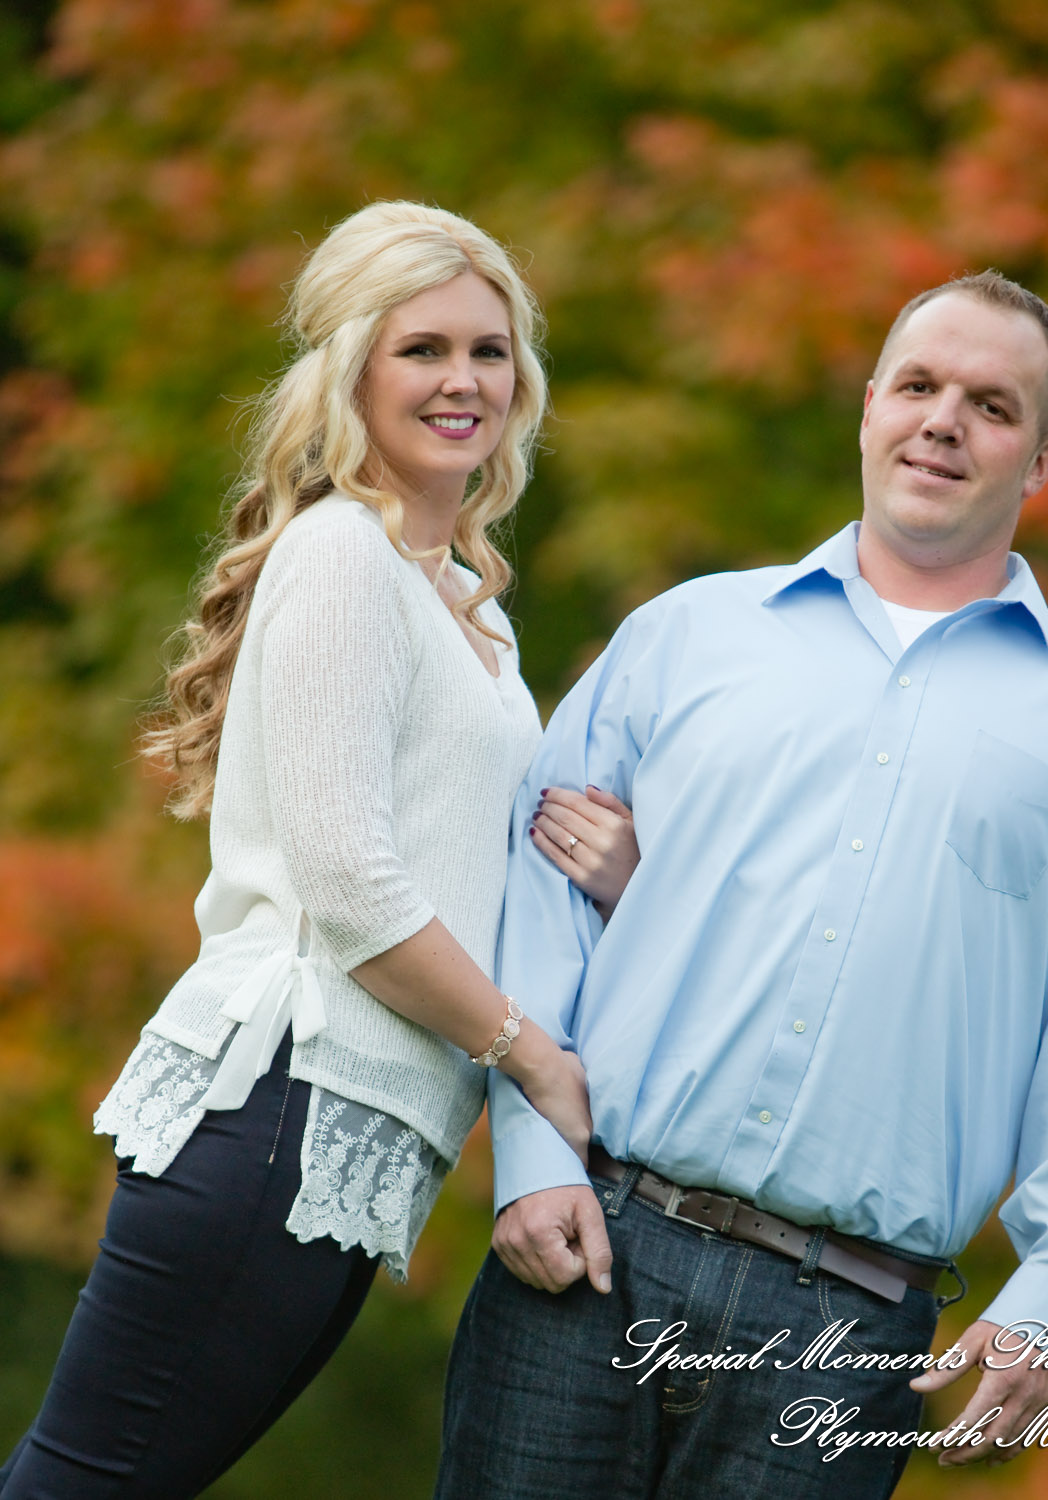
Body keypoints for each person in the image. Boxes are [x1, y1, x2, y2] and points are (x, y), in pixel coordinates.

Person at [435, 271, 1048, 1499]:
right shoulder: (686, 636)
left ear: (1043, 458)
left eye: (990, 405)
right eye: (918, 386)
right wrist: (527, 1153)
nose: (944, 420)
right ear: (867, 411)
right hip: (588, 1253)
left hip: (846, 1336)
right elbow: (538, 895)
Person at [0, 200, 640, 1499]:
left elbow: (453, 850)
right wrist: (537, 1062)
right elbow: (351, 886)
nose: (463, 380)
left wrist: (612, 877)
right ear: (350, 369)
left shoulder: (467, 602)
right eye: (423, 349)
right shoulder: (344, 556)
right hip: (277, 1110)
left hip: (340, 1141)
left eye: (491, 349)